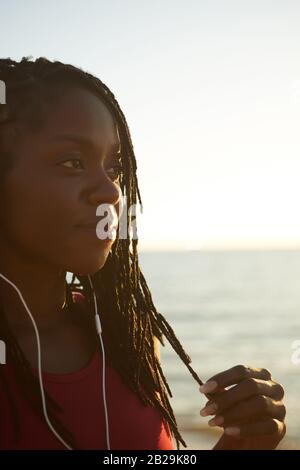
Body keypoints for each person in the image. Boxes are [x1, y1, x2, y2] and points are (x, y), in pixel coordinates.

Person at [0, 57, 286, 450]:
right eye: (73, 162)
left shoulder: (124, 338)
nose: (112, 192)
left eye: (114, 169)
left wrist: (242, 445)